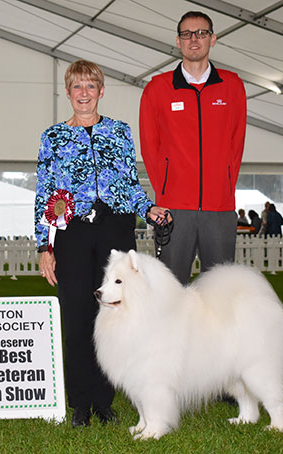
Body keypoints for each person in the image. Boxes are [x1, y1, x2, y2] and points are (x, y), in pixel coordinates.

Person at [35, 60, 170, 428]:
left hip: (115, 232)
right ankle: (79, 401)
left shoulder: (120, 132)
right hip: (72, 233)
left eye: (90, 86)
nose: (83, 93)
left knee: (113, 316)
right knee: (77, 315)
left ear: (101, 91)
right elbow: (45, 192)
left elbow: (129, 183)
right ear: (68, 92)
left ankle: (104, 399)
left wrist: (149, 208)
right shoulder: (53, 137)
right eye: (76, 86)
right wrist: (43, 248)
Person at [139, 10, 247, 285]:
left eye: (201, 33)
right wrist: (165, 192)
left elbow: (237, 144)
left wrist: (223, 187)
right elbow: (149, 147)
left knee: (221, 295)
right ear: (178, 41)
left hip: (219, 208)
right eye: (187, 34)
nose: (194, 39)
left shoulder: (232, 86)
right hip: (174, 209)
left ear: (213, 39)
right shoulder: (157, 88)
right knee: (170, 293)